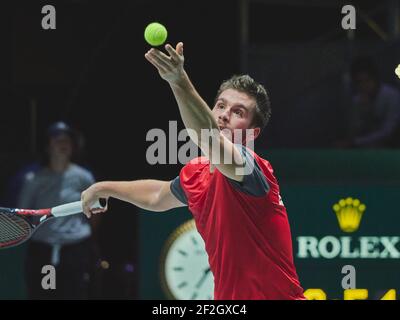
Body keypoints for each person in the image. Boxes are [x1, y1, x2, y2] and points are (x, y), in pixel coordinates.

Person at [81, 43, 305, 300]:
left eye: (238, 112)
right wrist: (105, 187)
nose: (223, 115)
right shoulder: (198, 172)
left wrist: (179, 81)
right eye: (220, 106)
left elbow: (208, 138)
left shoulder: (252, 168)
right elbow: (157, 196)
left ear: (252, 133)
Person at [18, 121, 101, 299]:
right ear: (48, 147)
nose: (63, 145)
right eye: (57, 140)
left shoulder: (84, 177)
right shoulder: (34, 179)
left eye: (67, 141)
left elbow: (96, 212)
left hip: (76, 249)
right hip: (42, 250)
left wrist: (81, 237)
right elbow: (23, 215)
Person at [336, 56, 400, 148]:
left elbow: (388, 132)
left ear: (375, 79)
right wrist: (362, 110)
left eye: (367, 80)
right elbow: (353, 131)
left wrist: (355, 142)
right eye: (359, 82)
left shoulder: (392, 97)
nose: (363, 86)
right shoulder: (357, 100)